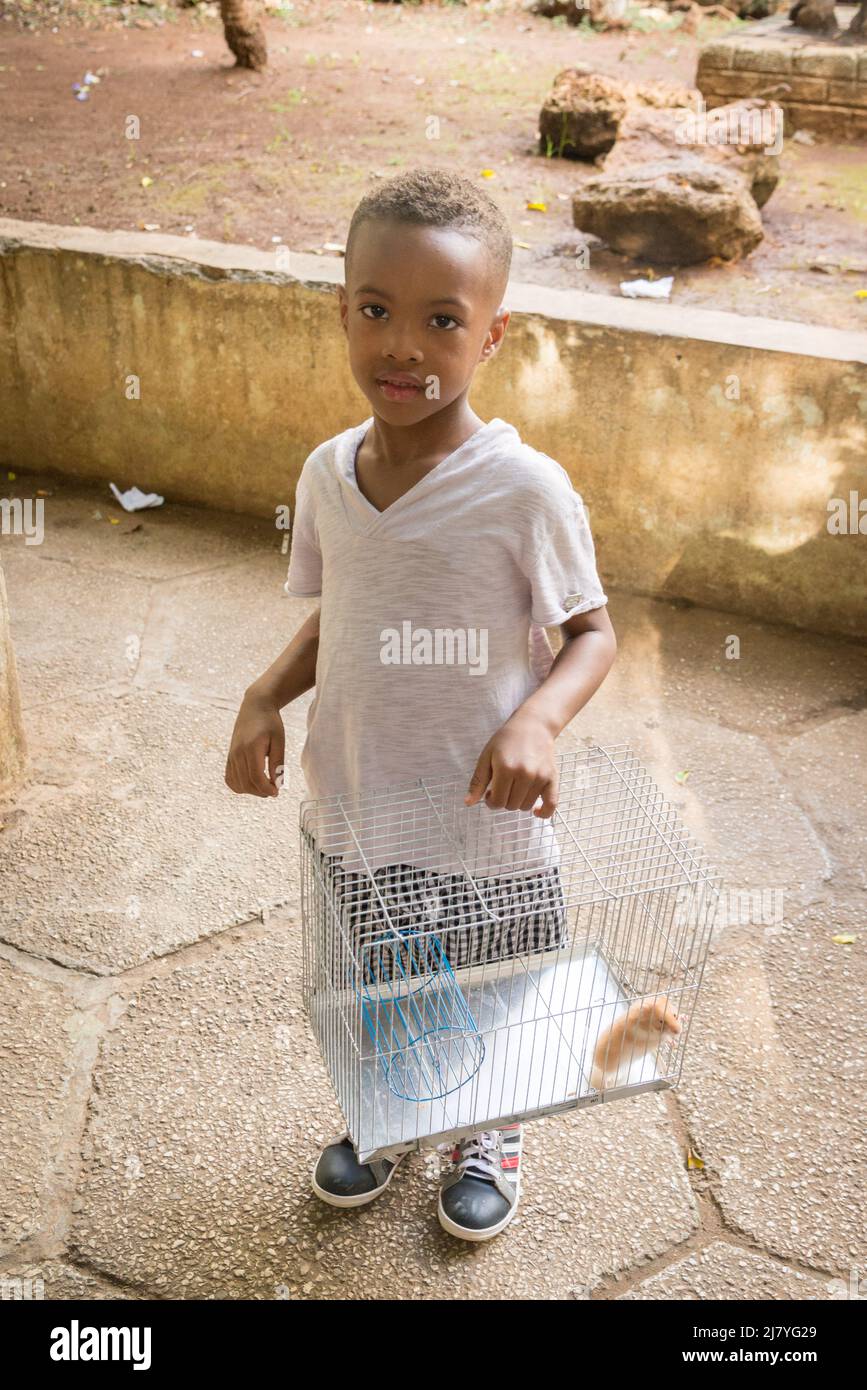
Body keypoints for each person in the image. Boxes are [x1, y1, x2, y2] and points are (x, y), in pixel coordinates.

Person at [224, 167, 617, 1242]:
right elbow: (340, 613)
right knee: (383, 981)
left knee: (488, 982)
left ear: (492, 335)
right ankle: (394, 1113)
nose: (404, 346)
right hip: (359, 801)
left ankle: (485, 1130)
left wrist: (535, 718)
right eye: (377, 312)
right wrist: (264, 694)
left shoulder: (524, 489)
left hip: (482, 819)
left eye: (442, 320)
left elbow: (593, 634)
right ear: (341, 310)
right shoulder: (324, 475)